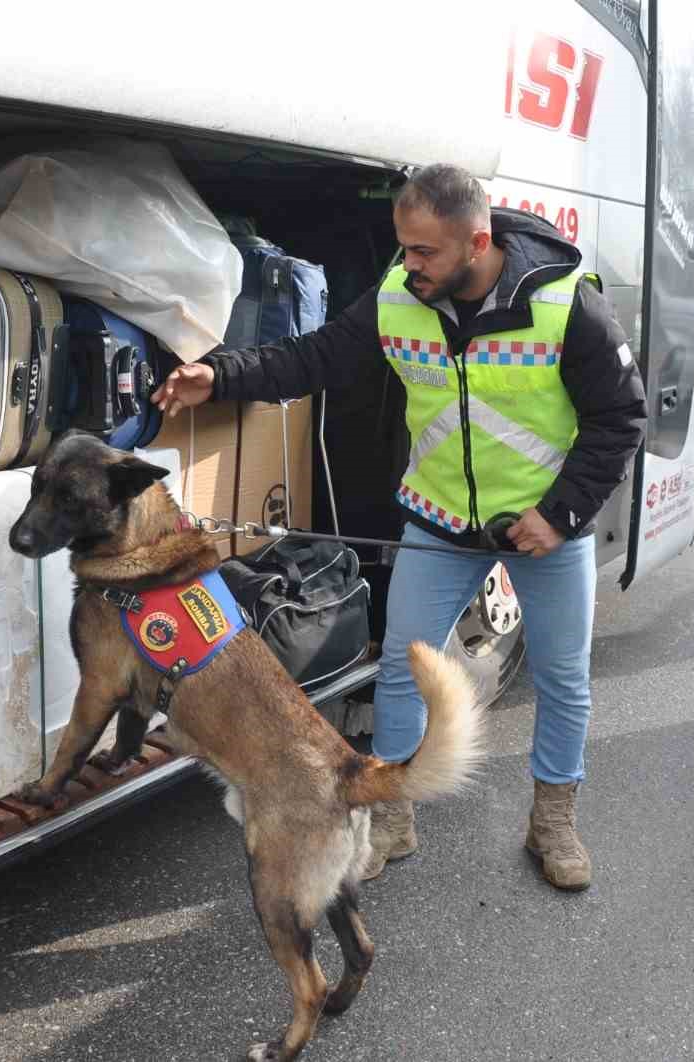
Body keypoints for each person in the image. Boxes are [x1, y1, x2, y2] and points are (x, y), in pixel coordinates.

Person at [153, 163, 645, 890]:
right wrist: (220, 377)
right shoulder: (399, 296)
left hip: (545, 528)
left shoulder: (567, 306)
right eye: (403, 248)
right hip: (440, 523)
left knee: (563, 680)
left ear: (478, 242)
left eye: (425, 252)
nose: (409, 266)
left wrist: (561, 514)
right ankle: (392, 821)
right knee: (402, 672)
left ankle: (552, 821)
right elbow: (312, 358)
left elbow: (621, 419)